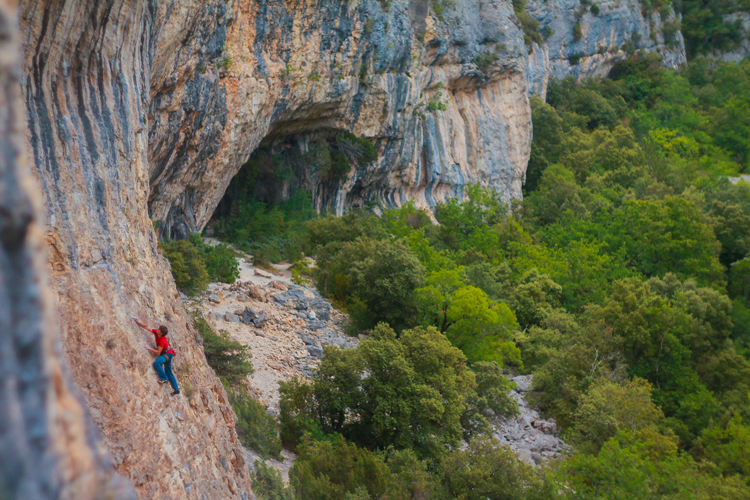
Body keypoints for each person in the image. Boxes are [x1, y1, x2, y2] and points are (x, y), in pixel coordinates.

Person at [133, 317, 180, 395]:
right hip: (168, 354)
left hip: (167, 354)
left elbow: (158, 352)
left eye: (159, 329)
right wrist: (137, 321)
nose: (157, 329)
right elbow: (146, 327)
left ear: (161, 333)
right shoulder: (156, 332)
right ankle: (176, 389)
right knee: (169, 373)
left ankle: (164, 379)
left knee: (157, 363)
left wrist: (149, 348)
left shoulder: (162, 340)